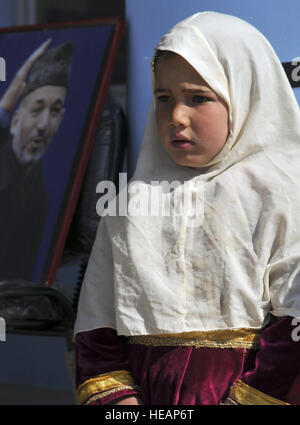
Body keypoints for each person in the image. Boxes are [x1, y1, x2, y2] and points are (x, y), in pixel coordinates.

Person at [74, 12, 300, 405]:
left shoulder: (283, 195)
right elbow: (97, 325)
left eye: (198, 98)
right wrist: (120, 403)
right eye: (164, 99)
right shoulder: (131, 203)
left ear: (244, 95)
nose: (177, 117)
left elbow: (293, 328)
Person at [0, 40, 73, 282]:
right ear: (16, 119)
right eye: (36, 110)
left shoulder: (39, 193)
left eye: (54, 112)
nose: (44, 125)